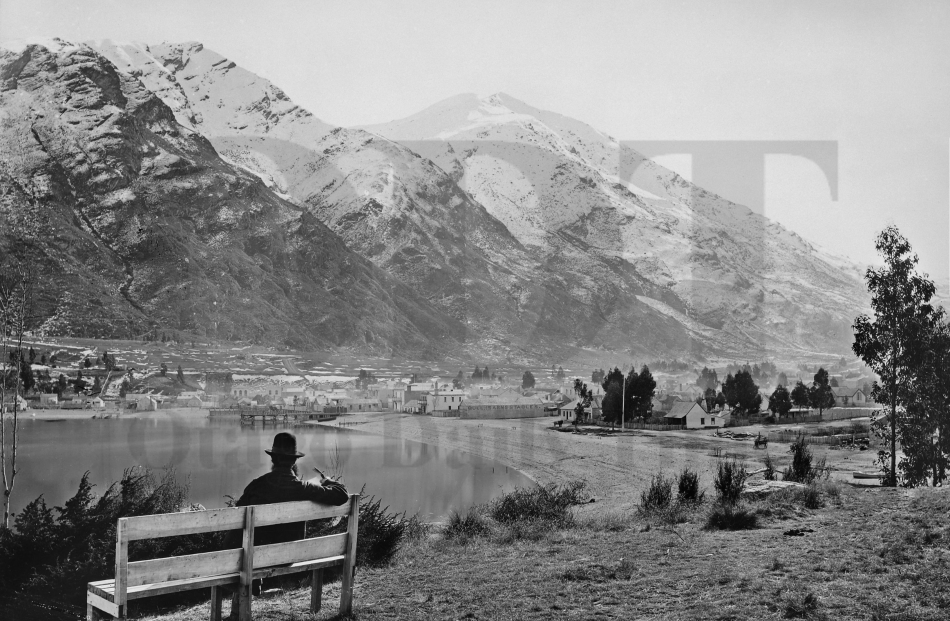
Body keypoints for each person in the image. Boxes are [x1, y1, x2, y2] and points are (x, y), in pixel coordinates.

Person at [228, 432, 348, 614]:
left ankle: (246, 588)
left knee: (239, 538)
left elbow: (234, 519)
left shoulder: (257, 486)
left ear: (273, 459)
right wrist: (328, 481)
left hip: (255, 557)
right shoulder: (303, 488)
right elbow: (341, 495)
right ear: (293, 462)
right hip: (290, 555)